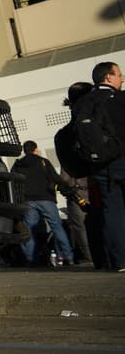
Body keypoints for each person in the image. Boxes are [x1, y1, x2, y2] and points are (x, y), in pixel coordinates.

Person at [75, 61, 125, 270]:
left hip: (100, 165)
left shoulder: (82, 103)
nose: (121, 79)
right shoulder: (120, 99)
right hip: (121, 158)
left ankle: (119, 260)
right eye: (119, 75)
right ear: (108, 78)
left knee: (111, 211)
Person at [12, 141, 75, 267]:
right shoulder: (43, 162)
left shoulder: (18, 164)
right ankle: (68, 256)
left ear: (24, 150)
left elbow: (14, 182)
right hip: (46, 199)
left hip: (28, 200)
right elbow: (56, 178)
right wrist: (66, 188)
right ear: (35, 149)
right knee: (57, 227)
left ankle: (30, 258)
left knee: (29, 230)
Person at [54, 82, 97, 265]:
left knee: (83, 229)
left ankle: (93, 258)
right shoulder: (92, 127)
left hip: (75, 189)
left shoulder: (62, 134)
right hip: (92, 185)